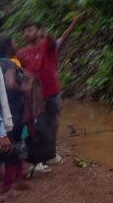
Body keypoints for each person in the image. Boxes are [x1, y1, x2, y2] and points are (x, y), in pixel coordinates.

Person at [17, 14, 82, 172]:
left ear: (39, 32)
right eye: (25, 31)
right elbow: (16, 73)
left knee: (53, 125)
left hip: (52, 93)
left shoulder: (48, 45)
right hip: (34, 98)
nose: (27, 34)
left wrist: (73, 24)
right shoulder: (21, 53)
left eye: (30, 30)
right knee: (38, 128)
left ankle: (50, 155)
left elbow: (62, 37)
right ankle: (38, 161)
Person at [0, 36, 30, 193]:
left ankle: (13, 179)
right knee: (15, 144)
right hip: (13, 111)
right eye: (14, 43)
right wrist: (26, 88)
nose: (16, 45)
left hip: (1, 111)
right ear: (8, 47)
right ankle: (10, 183)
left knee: (5, 144)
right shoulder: (10, 64)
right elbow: (10, 83)